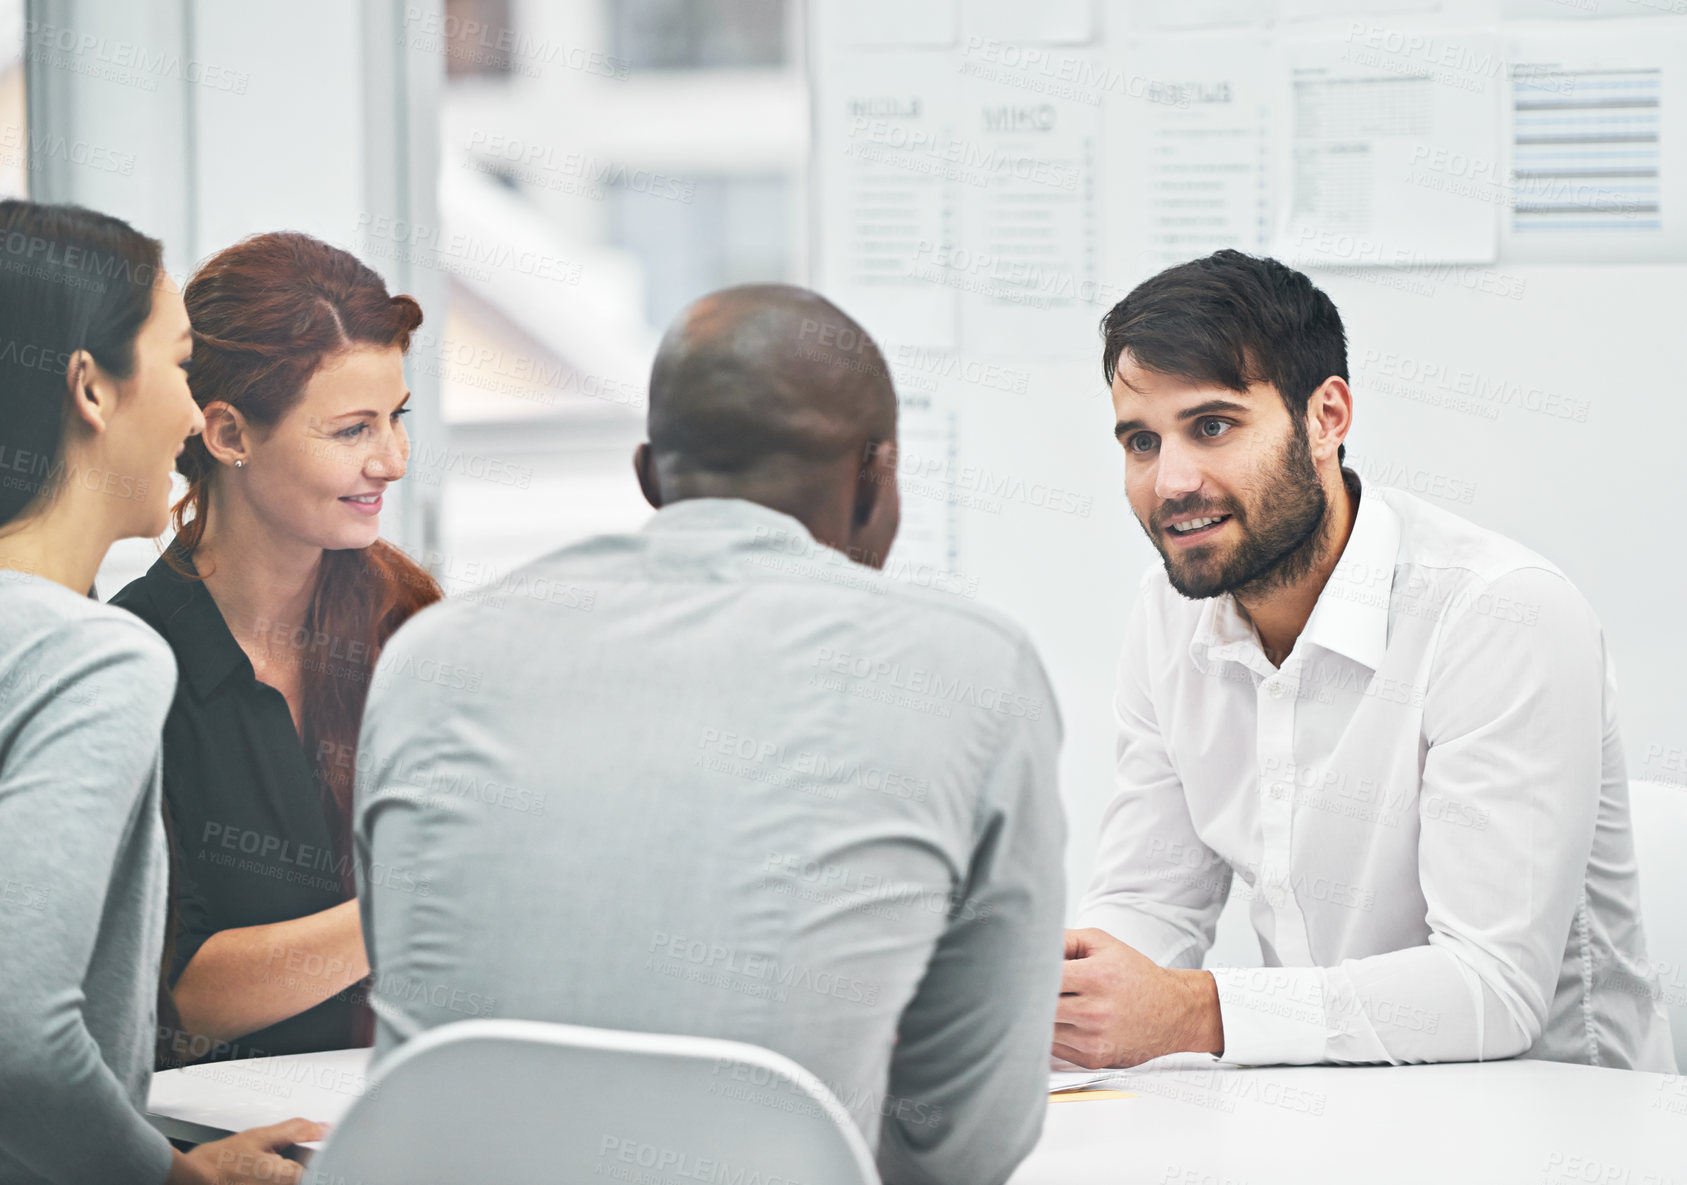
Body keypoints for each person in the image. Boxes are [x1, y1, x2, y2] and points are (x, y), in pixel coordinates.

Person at [354, 284, 1067, 1185]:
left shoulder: (430, 657)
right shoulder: (970, 666)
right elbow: (965, 1145)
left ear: (651, 478)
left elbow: (416, 988)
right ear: (877, 475)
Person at [1055, 249, 1676, 1072]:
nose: (1170, 481)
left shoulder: (1501, 613)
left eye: (1211, 426)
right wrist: (1061, 1006)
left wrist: (1193, 1010)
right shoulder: (1167, 613)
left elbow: (1490, 988)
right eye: (1140, 440)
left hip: (1550, 1129)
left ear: (1326, 418)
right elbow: (1148, 899)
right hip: (1325, 1119)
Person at [0, 199, 321, 1184]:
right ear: (91, 388)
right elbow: (18, 1025)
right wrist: (176, 1176)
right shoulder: (91, 655)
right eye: (180, 364)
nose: (191, 412)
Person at [110, 232, 441, 1066]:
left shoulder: (414, 626)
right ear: (227, 434)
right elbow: (173, 997)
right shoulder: (131, 666)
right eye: (351, 429)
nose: (392, 460)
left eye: (397, 418)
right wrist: (413, 903)